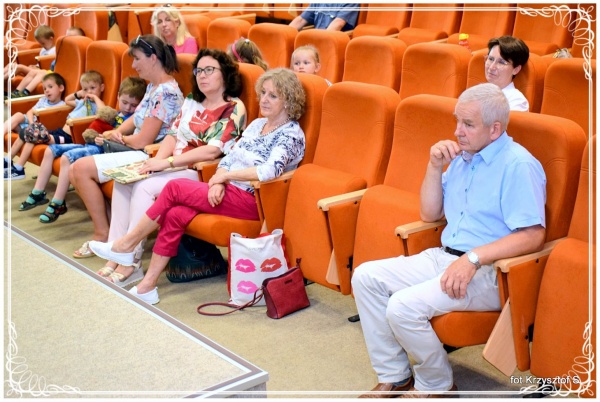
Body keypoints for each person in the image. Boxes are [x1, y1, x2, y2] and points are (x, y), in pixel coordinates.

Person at [352, 83, 546, 397]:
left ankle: (437, 384)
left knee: (401, 307)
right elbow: (429, 214)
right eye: (457, 121)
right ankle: (395, 375)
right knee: (365, 277)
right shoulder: (462, 157)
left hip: (490, 272)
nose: (457, 131)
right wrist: (433, 166)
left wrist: (473, 259)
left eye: (468, 124)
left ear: (495, 129)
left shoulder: (518, 166)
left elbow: (533, 235)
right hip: (445, 256)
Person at [89, 67, 306, 304]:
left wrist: (224, 177)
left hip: (254, 199)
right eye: (263, 93)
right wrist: (218, 180)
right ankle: (147, 286)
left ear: (288, 101)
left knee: (174, 188)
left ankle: (126, 245)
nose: (264, 99)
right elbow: (229, 158)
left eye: (273, 95)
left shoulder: (291, 134)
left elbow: (269, 171)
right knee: (175, 214)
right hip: (229, 190)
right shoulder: (257, 125)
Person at [96, 48, 247, 287]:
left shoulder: (234, 107)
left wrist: (166, 163)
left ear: (225, 74)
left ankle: (131, 262)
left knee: (145, 187)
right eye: (199, 71)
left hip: (199, 171)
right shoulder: (192, 100)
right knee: (127, 181)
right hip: (172, 165)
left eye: (209, 70)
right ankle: (115, 255)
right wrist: (155, 164)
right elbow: (173, 135)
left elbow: (213, 151)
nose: (202, 75)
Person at [69, 34, 184, 260]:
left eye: (137, 59)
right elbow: (136, 119)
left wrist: (119, 137)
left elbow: (143, 140)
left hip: (149, 154)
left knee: (80, 169)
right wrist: (117, 132)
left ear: (153, 58)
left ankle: (102, 234)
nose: (134, 65)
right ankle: (109, 233)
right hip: (134, 148)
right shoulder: (153, 87)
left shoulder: (166, 92)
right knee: (74, 169)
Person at [17, 76, 147, 223]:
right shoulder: (115, 115)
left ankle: (57, 203)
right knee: (51, 150)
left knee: (68, 157)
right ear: (118, 97)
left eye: (133, 105)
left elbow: (127, 141)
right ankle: (38, 192)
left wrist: (106, 139)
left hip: (104, 152)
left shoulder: (135, 120)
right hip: (91, 145)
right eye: (124, 102)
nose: (128, 108)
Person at [5, 70, 105, 180]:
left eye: (92, 88)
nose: (89, 92)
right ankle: (8, 160)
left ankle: (19, 168)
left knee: (34, 134)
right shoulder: (82, 102)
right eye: (85, 89)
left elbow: (103, 112)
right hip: (60, 132)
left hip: (69, 137)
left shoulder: (97, 105)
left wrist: (96, 98)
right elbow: (67, 100)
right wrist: (79, 93)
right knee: (29, 132)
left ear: (102, 88)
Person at [11, 26, 85, 98]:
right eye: (67, 38)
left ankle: (25, 92)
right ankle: (16, 92)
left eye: (74, 38)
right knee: (34, 72)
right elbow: (55, 64)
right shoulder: (64, 50)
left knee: (42, 73)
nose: (70, 40)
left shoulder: (77, 53)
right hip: (55, 72)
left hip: (60, 76)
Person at [4, 25, 56, 98]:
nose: (41, 45)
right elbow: (39, 63)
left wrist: (37, 67)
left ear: (51, 39)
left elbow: (49, 66)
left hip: (44, 71)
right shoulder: (43, 50)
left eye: (43, 43)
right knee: (11, 65)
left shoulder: (55, 50)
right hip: (37, 70)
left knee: (19, 67)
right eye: (40, 43)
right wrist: (35, 66)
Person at [485, 36, 530, 112]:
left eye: (501, 62)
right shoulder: (478, 92)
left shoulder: (517, 101)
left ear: (516, 69)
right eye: (491, 59)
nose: (491, 67)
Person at [289, 3, 358, 32]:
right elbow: (301, 20)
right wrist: (287, 33)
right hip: (315, 40)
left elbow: (338, 24)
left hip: (332, 42)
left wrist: (319, 41)